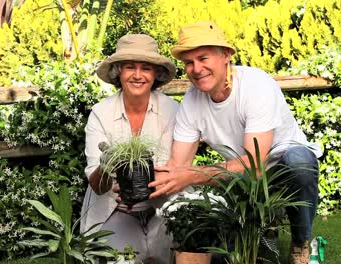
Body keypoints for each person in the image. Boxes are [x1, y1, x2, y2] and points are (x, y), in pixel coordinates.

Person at [148, 21, 321, 264]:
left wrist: (192, 175)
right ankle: (263, 221)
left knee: (300, 160)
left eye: (203, 58)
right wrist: (142, 186)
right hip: (240, 182)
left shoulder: (257, 86)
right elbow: (178, 166)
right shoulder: (192, 100)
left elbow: (255, 165)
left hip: (279, 168)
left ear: (226, 55)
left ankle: (300, 241)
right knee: (222, 256)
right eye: (189, 62)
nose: (196, 69)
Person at [80, 34, 180, 263]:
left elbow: (170, 168)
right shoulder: (101, 113)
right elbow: (96, 185)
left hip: (159, 208)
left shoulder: (171, 110)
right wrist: (107, 163)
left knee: (166, 254)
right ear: (118, 72)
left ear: (155, 74)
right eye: (129, 67)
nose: (137, 75)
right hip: (115, 210)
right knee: (122, 258)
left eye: (146, 68)